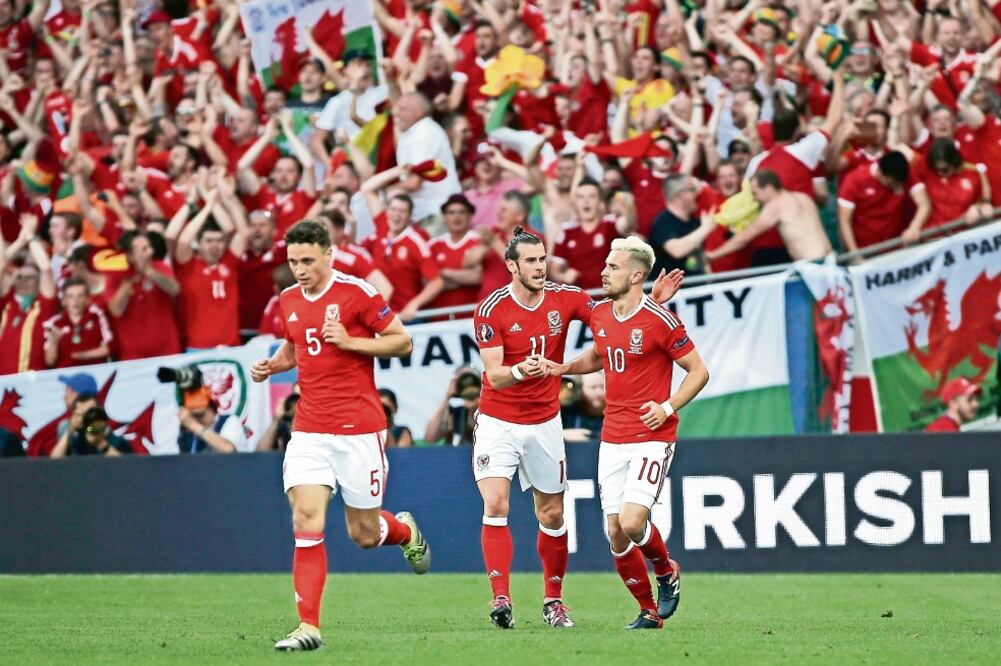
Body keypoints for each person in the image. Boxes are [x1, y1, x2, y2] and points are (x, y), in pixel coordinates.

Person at [471, 228, 681, 630]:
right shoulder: (490, 308)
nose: (539, 266)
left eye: (542, 259)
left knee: (551, 514)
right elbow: (495, 376)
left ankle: (554, 601)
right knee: (496, 503)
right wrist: (520, 369)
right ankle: (501, 597)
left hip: (545, 421)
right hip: (498, 419)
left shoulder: (566, 298)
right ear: (512, 266)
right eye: (530, 260)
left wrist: (652, 301)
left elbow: (615, 322)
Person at [250, 220, 430, 651]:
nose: (300, 270)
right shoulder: (289, 298)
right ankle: (308, 626)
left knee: (364, 535)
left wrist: (351, 342)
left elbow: (402, 342)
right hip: (310, 427)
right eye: (294, 261)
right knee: (305, 518)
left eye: (308, 260)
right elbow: (296, 345)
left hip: (359, 430)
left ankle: (403, 532)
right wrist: (276, 364)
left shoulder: (358, 293)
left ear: (329, 254)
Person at [542, 236, 708, 630]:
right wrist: (562, 368)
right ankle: (649, 611)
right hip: (612, 436)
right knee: (616, 534)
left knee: (634, 522)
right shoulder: (600, 315)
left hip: (652, 435)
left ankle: (667, 570)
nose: (603, 271)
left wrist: (666, 407)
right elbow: (599, 355)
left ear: (636, 275)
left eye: (613, 267)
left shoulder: (662, 320)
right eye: (605, 265)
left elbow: (699, 371)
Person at [706, 170, 833, 264]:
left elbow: (745, 237)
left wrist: (713, 255)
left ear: (768, 188)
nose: (755, 199)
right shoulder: (803, 197)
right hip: (830, 260)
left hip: (814, 266)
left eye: (755, 193)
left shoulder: (776, 206)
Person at [43, 277, 113, 368]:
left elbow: (109, 348)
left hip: (95, 374)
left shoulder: (97, 315)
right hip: (66, 376)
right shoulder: (53, 323)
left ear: (87, 299)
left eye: (80, 296)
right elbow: (49, 361)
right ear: (64, 301)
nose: (75, 301)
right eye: (70, 296)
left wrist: (81, 356)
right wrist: (54, 342)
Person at [176, 387, 247, 454]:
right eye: (192, 416)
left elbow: (229, 451)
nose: (196, 420)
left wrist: (193, 425)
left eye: (200, 415)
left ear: (212, 410)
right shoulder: (187, 434)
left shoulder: (229, 421)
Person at [423, 366, 482, 446]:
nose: (467, 385)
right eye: (463, 381)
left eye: (472, 381)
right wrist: (447, 396)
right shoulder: (451, 410)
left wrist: (479, 401)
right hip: (454, 455)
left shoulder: (485, 409)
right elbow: (430, 438)